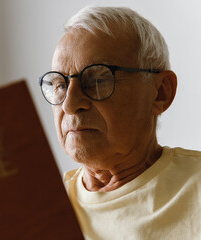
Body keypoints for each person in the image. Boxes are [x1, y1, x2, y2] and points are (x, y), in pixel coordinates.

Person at [38, 6, 201, 239]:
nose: (69, 105)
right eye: (60, 85)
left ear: (160, 93)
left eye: (97, 79)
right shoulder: (35, 210)